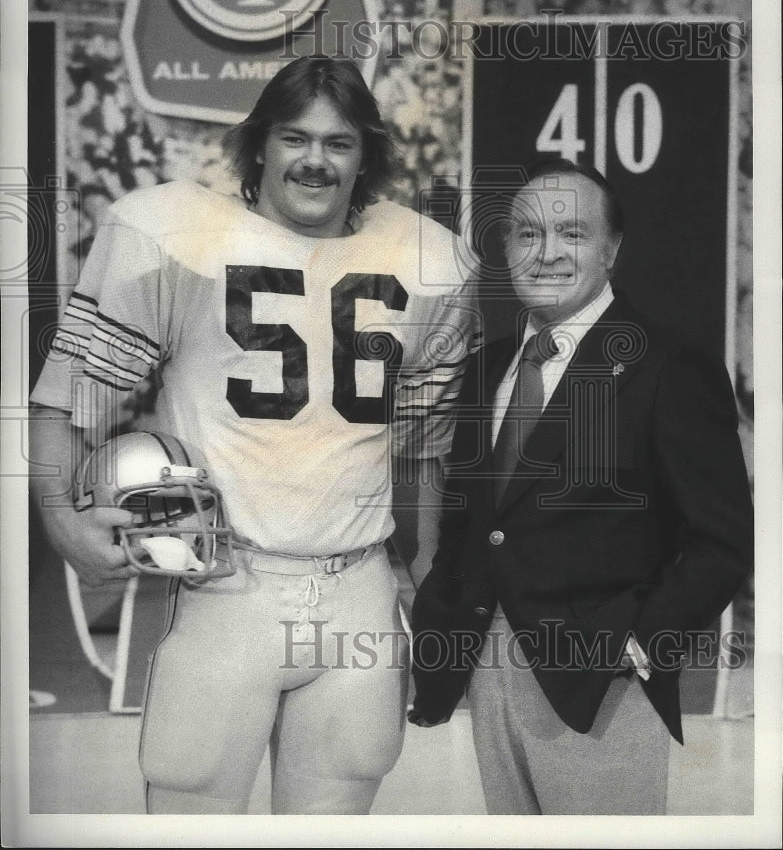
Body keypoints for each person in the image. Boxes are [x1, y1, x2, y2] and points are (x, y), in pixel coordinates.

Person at [28, 55, 479, 815]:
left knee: (335, 817)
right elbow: (65, 403)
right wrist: (60, 520)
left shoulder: (429, 259)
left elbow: (422, 451)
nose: (314, 160)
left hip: (357, 591)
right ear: (259, 145)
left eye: (338, 143)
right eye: (294, 138)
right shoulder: (179, 234)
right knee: (190, 813)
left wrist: (430, 569)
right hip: (226, 588)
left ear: (365, 153)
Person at [408, 158, 753, 815]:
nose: (546, 253)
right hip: (487, 664)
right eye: (526, 234)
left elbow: (722, 541)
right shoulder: (487, 369)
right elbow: (471, 520)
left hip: (603, 681)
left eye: (571, 234)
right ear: (505, 247)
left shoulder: (668, 366)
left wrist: (638, 643)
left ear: (610, 249)